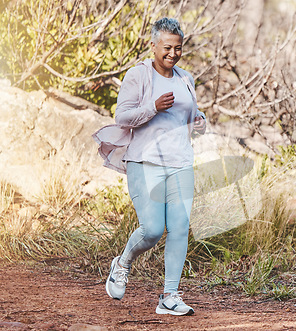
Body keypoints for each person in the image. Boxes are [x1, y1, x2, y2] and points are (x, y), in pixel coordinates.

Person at [93, 17, 206, 316]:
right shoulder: (138, 75)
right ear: (153, 45)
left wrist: (199, 121)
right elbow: (122, 117)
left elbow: (191, 115)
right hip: (145, 161)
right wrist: (153, 107)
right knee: (153, 230)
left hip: (180, 161)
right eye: (167, 47)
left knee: (180, 228)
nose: (173, 54)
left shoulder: (186, 78)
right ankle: (123, 262)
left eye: (178, 48)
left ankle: (170, 296)